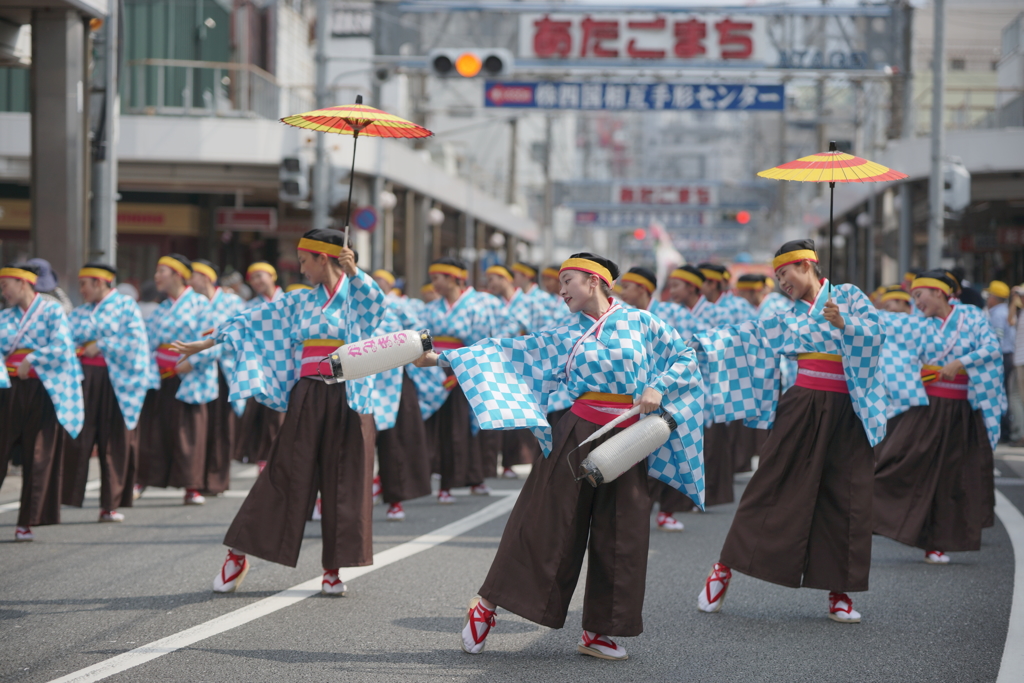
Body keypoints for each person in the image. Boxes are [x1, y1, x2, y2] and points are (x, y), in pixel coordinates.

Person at [415, 252, 705, 660]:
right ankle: (487, 606)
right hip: (579, 432)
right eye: (559, 281)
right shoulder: (565, 332)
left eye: (568, 279)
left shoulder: (643, 322)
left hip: (630, 437)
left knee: (623, 533)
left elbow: (686, 357)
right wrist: (442, 358)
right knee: (545, 524)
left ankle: (599, 631)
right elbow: (507, 352)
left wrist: (659, 384)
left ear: (594, 281)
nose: (560, 288)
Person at [172, 229, 386, 595]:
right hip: (309, 394)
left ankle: (333, 569)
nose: (301, 270)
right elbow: (252, 320)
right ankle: (237, 554)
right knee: (286, 471)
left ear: (323, 258)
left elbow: (377, 310)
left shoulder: (357, 292)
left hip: (352, 396)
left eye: (304, 261)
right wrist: (206, 343)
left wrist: (355, 274)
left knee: (345, 482)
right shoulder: (298, 301)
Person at [694, 239, 886, 623]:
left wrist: (844, 322)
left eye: (784, 273)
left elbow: (878, 335)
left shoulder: (847, 297)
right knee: (770, 483)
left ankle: (840, 593)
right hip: (803, 403)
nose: (781, 282)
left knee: (845, 495)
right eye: (777, 277)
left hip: (849, 407)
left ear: (805, 265)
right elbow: (745, 337)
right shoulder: (785, 313)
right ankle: (724, 568)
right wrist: (698, 345)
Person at [874, 271, 1004, 564]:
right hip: (927, 405)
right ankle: (864, 514)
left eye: (919, 295)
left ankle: (936, 543)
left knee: (951, 477)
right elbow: (887, 324)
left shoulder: (970, 316)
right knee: (900, 460)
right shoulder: (920, 324)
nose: (915, 302)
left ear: (938, 292)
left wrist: (960, 362)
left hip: (961, 409)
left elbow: (992, 348)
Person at [63, 263, 155, 522]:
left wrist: (101, 345)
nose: (81, 290)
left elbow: (136, 341)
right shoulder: (80, 312)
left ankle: (110, 504)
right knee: (78, 435)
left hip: (117, 382)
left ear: (101, 282)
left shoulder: (126, 307)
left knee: (114, 441)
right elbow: (66, 339)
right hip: (85, 379)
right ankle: (67, 496)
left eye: (85, 284)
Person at [0, 263, 84, 541]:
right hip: (9, 390)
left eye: (6, 285)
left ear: (24, 283)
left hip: (44, 390)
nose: (3, 291)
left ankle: (26, 521)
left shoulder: (51, 310)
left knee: (37, 454)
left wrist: (30, 359)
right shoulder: (5, 317)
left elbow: (62, 347)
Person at [618, 265, 704, 532]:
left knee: (672, 449)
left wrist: (665, 383)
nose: (622, 292)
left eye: (627, 287)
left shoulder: (674, 313)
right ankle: (633, 513)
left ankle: (667, 510)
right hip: (636, 393)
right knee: (638, 453)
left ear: (643, 288)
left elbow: (688, 352)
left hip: (670, 391)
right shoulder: (623, 315)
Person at [137, 254, 216, 505]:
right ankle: (143, 479)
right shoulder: (161, 308)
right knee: (154, 431)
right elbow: (147, 343)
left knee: (188, 433)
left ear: (178, 274)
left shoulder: (200, 304)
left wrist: (191, 362)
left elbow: (213, 340)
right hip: (161, 377)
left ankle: (192, 486)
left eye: (162, 271)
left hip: (189, 376)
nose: (156, 276)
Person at [419, 257, 497, 503]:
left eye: (437, 279)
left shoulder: (476, 307)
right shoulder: (430, 309)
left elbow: (479, 345)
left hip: (462, 370)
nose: (433, 285)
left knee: (460, 429)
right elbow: (422, 342)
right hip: (435, 372)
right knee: (438, 430)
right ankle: (442, 483)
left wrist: (459, 371)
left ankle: (457, 482)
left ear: (453, 278)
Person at [365, 268, 439, 521]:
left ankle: (395, 500)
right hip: (362, 379)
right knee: (356, 440)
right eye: (373, 281)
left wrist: (425, 358)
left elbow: (422, 335)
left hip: (395, 378)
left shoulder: (398, 306)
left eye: (381, 281)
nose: (377, 284)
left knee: (397, 441)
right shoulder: (354, 305)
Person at [190, 259, 247, 495]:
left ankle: (217, 480)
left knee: (223, 425)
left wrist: (210, 349)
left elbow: (242, 332)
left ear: (205, 277)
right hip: (201, 372)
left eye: (193, 275)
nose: (189, 280)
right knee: (202, 426)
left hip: (224, 370)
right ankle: (197, 478)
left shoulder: (232, 301)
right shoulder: (192, 303)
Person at [234, 264, 288, 469]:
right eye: (252, 279)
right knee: (258, 415)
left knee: (280, 417)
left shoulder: (289, 301)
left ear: (272, 275)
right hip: (259, 368)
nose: (256, 281)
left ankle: (279, 458)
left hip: (285, 368)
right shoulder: (248, 307)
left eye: (259, 276)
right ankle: (262, 458)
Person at [985, 281, 1015, 442]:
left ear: (993, 298)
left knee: (999, 393)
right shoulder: (1004, 311)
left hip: (1001, 357)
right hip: (1008, 356)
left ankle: (1003, 432)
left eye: (989, 295)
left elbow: (997, 339)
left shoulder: (997, 314)